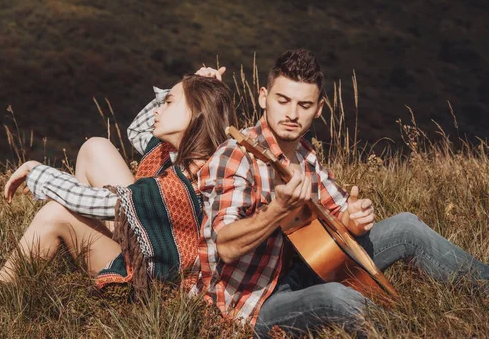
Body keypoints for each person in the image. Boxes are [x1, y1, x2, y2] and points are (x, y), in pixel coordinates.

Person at [196, 49, 489, 337]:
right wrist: (276, 212)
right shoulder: (238, 155)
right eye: (282, 100)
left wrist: (354, 218)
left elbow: (339, 215)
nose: (292, 114)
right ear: (263, 97)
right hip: (251, 305)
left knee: (406, 226)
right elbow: (226, 247)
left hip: (300, 272)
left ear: (319, 109)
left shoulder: (306, 156)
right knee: (335, 298)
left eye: (304, 105)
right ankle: (417, 331)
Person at [0, 69, 237, 317]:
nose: (159, 108)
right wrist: (197, 83)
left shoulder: (178, 185)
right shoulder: (188, 155)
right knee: (96, 147)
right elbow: (138, 130)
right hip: (152, 252)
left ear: (196, 113)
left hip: (151, 292)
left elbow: (98, 203)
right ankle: (70, 249)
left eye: (169, 102)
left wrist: (36, 171)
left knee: (56, 213)